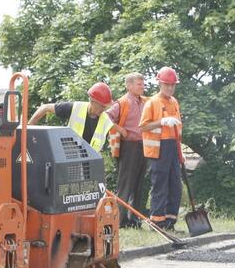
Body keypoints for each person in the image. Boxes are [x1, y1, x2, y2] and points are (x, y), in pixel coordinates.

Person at [139, 66, 182, 230]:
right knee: (160, 185)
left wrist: (180, 153)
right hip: (159, 149)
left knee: (175, 185)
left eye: (172, 85)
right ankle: (157, 221)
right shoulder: (152, 102)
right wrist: (161, 122)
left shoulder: (175, 102)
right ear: (160, 84)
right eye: (167, 84)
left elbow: (178, 129)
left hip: (173, 147)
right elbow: (142, 127)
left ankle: (170, 221)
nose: (170, 88)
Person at [106, 73, 148, 228]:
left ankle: (134, 220)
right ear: (129, 86)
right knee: (126, 185)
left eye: (143, 84)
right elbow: (105, 117)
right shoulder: (122, 102)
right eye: (139, 84)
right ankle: (119, 220)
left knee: (138, 185)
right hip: (129, 146)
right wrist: (120, 130)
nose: (143, 87)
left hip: (143, 145)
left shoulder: (145, 102)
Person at [28, 82, 121, 152]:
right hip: (70, 156)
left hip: (90, 162)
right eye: (101, 106)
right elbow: (45, 107)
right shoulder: (75, 108)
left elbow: (118, 130)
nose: (103, 109)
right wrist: (27, 130)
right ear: (92, 101)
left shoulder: (105, 119)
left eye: (105, 107)